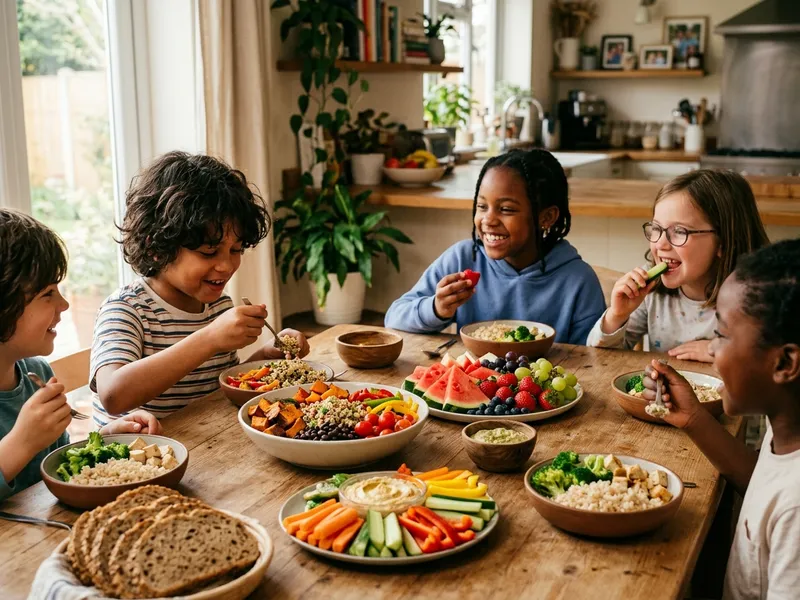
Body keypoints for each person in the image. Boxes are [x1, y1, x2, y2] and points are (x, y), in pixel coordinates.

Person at [90, 151, 309, 427]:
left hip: (208, 446)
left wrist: (267, 355)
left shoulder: (218, 306)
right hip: (145, 460)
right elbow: (113, 395)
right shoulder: (127, 310)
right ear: (157, 247)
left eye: (236, 250)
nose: (226, 266)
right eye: (209, 252)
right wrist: (210, 337)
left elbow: (219, 385)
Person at [643, 239, 800, 600]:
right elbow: (761, 480)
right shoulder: (787, 428)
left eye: (722, 334)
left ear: (785, 364)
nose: (711, 348)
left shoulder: (796, 509)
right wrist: (693, 417)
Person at [0, 209, 160, 501]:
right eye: (47, 294)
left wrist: (106, 441)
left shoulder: (39, 374)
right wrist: (20, 443)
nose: (63, 304)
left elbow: (59, 466)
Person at [384, 149, 606, 345]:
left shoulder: (579, 281)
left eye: (506, 209)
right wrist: (436, 308)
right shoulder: (463, 259)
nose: (488, 220)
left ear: (546, 217)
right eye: (482, 206)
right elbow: (393, 318)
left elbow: (593, 360)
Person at [586, 169, 769, 361]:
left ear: (723, 242)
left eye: (680, 231)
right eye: (656, 228)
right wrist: (616, 316)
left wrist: (726, 352)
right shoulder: (651, 291)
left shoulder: (759, 297)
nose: (661, 244)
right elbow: (598, 360)